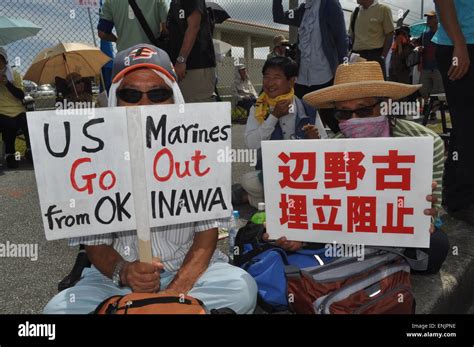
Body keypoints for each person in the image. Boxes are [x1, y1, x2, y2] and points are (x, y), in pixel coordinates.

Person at [44, 44, 258, 314]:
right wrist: (125, 271)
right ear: (115, 100)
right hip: (115, 282)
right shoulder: (93, 158)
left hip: (191, 275)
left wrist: (175, 293)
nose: (144, 105)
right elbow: (95, 245)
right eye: (131, 94)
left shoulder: (198, 149)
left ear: (174, 97)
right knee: (58, 311)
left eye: (157, 94)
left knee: (241, 289)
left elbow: (207, 236)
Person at [263, 61, 448, 274]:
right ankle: (377, 258)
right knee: (299, 241)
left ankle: (372, 256)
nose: (354, 120)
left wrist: (426, 217)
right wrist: (299, 233)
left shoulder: (426, 142)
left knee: (437, 246)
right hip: (346, 230)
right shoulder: (329, 150)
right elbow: (321, 209)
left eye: (363, 110)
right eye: (343, 113)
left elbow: (432, 208)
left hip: (394, 230)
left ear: (384, 105)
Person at [232, 57, 326, 208]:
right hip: (273, 174)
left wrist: (315, 140)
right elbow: (251, 144)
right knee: (248, 180)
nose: (270, 83)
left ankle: (254, 200)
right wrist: (273, 117)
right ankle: (291, 201)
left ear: (291, 81)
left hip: (303, 174)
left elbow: (326, 150)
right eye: (266, 77)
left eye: (276, 78)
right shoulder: (258, 108)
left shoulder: (307, 108)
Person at [272, 0, 348, 135]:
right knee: (296, 118)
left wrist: (343, 71)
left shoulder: (330, 5)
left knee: (334, 120)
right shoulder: (303, 10)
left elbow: (341, 38)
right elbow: (279, 17)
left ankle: (347, 149)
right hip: (301, 79)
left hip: (324, 76)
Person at [432, 0, 474, 226]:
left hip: (464, 43)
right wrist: (459, 43)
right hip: (461, 44)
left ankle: (454, 190)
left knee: (464, 125)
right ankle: (463, 200)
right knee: (467, 124)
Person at [167, 0, 217, 103]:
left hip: (195, 66)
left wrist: (181, 60)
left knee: (198, 109)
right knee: (184, 108)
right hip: (184, 68)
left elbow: (194, 26)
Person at [0, 47, 31, 169]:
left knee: (26, 121)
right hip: (2, 110)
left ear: (5, 60)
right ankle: (10, 154)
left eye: (1, 59)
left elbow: (21, 95)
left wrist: (7, 83)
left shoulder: (14, 75)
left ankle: (30, 150)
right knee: (8, 123)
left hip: (18, 109)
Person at [97, 0, 169, 52]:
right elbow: (167, 28)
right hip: (152, 53)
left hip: (124, 55)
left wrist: (118, 40)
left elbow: (102, 33)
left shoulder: (109, 2)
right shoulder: (159, 1)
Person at [349, 0, 395, 79]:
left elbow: (390, 34)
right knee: (357, 89)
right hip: (357, 57)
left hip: (375, 56)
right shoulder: (355, 13)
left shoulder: (383, 10)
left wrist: (382, 57)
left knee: (376, 88)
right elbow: (352, 36)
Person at [416, 10, 444, 109]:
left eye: (431, 18)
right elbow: (418, 45)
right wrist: (419, 49)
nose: (428, 20)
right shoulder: (424, 34)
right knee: (423, 89)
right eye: (428, 18)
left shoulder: (443, 33)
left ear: (437, 19)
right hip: (426, 67)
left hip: (438, 67)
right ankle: (428, 106)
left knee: (438, 91)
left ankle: (433, 111)